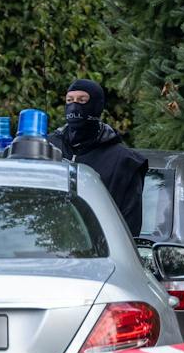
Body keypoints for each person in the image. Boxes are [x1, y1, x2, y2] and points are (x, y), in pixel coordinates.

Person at [48, 77, 148, 236]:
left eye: (82, 100)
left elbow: (130, 227)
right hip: (46, 249)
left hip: (99, 255)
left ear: (97, 106)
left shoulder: (124, 162)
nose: (74, 106)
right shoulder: (47, 147)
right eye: (69, 100)